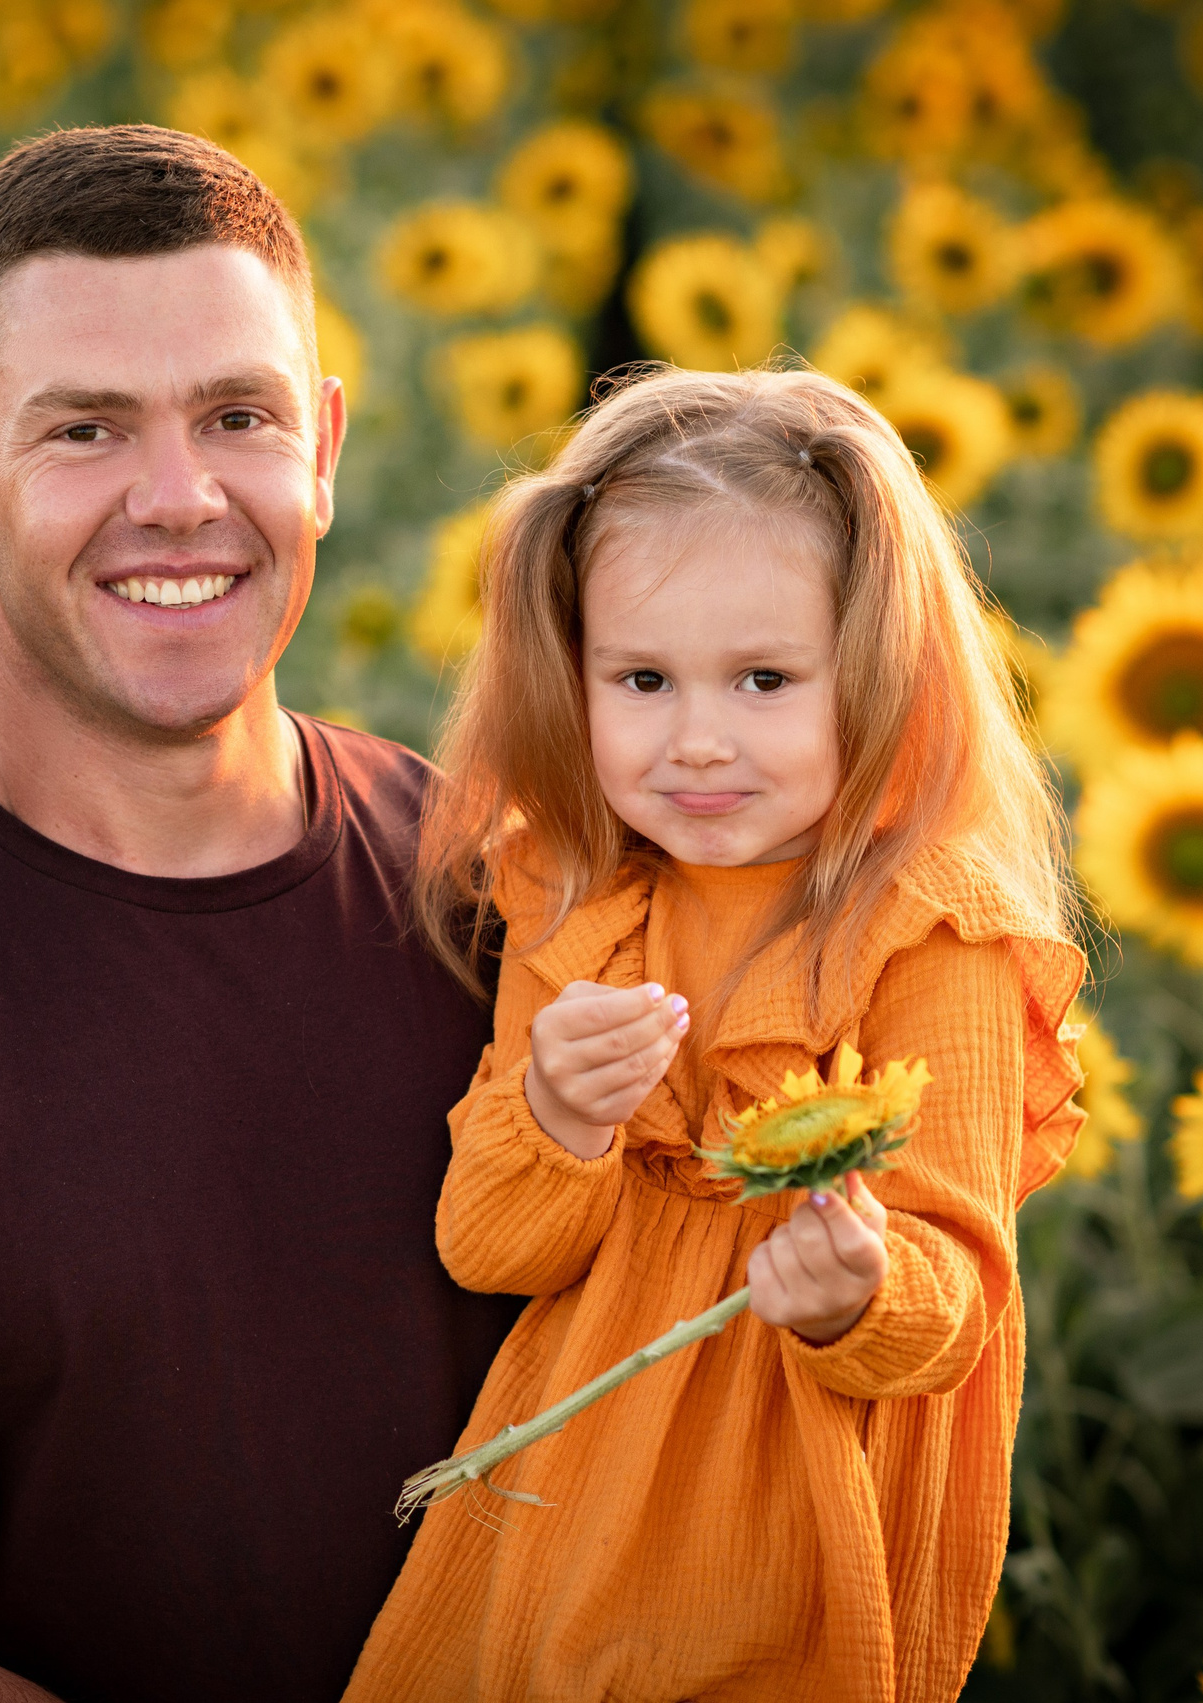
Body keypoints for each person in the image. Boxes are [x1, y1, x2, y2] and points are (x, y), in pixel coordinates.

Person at [0, 126, 523, 1702]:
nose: (182, 498)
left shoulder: (500, 887)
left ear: (324, 445)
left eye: (239, 415)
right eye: (84, 431)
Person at [343, 365, 1086, 1703]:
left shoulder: (930, 935)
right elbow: (495, 1247)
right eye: (642, 678)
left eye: (762, 679)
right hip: (555, 1509)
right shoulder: (578, 900)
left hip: (788, 1514)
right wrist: (559, 1114)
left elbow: (956, 1304)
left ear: (877, 672)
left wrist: (857, 1285)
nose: (697, 740)